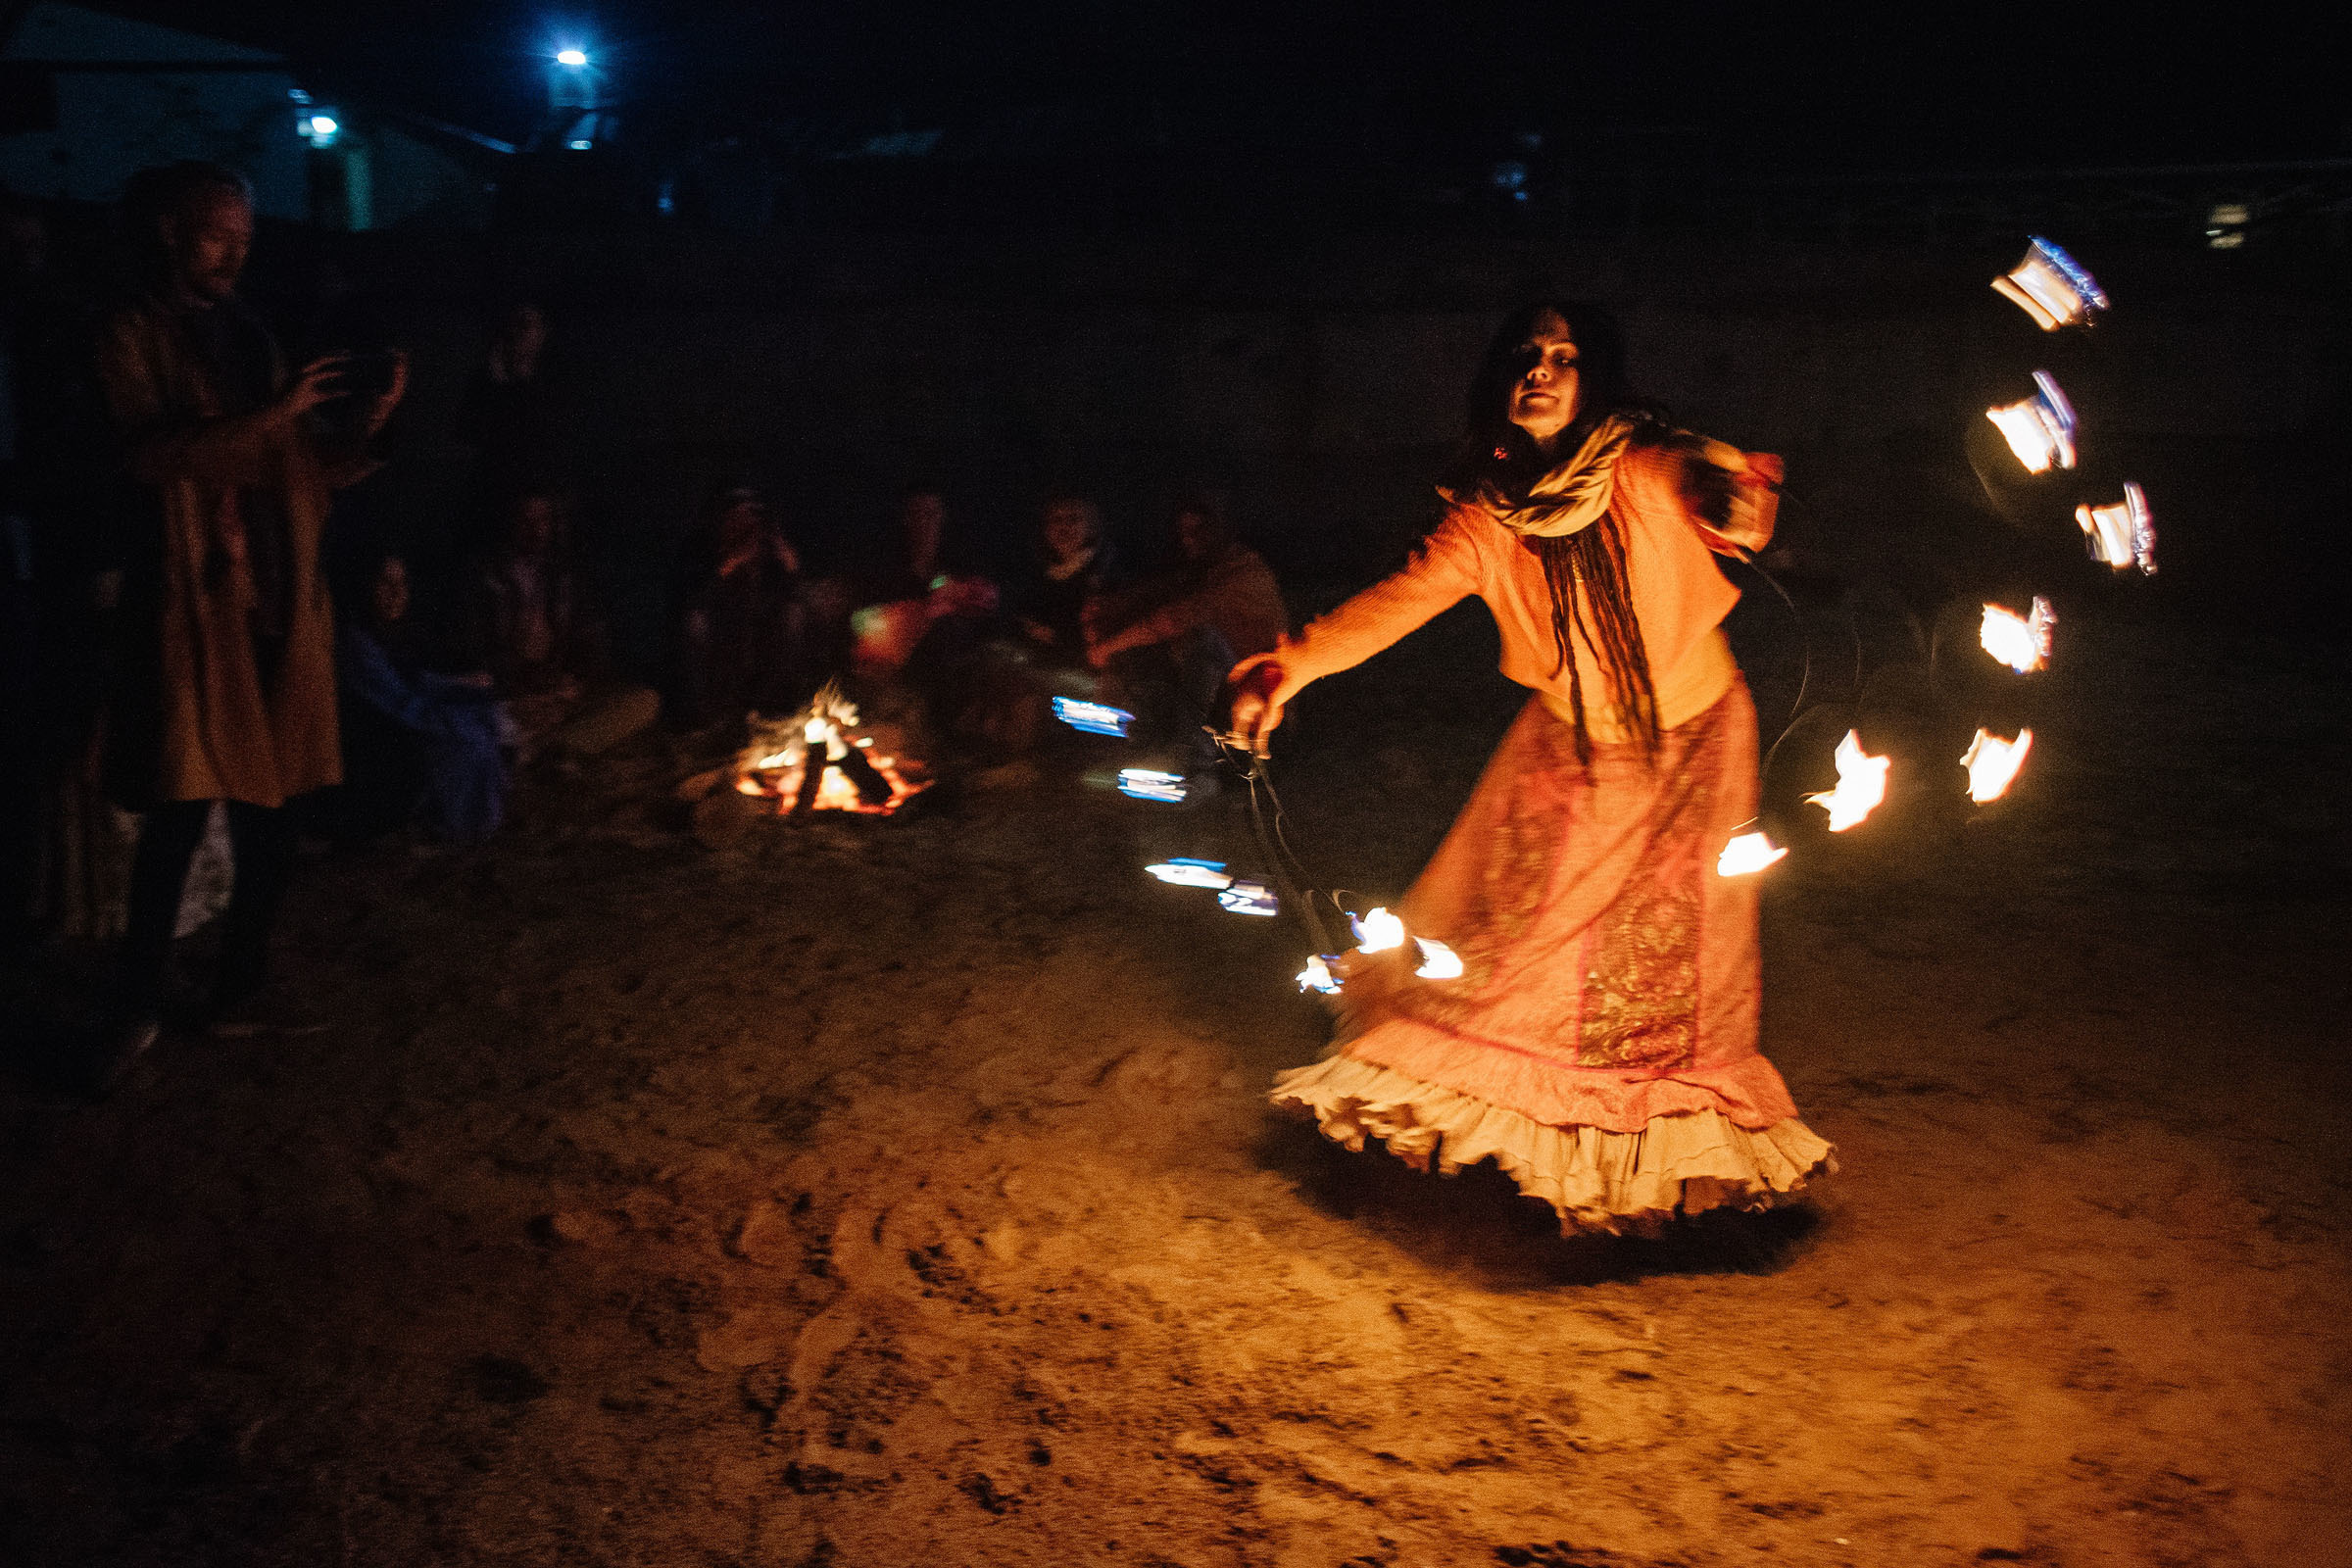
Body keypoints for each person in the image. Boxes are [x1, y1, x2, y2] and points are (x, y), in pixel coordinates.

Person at [1229, 301, 1833, 1234]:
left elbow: (1715, 482)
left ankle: (1653, 1177)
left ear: (1594, 379)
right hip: (1571, 749)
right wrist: (1290, 666)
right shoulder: (1487, 521)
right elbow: (1396, 603)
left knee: (1663, 975)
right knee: (1518, 944)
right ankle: (1502, 1142)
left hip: (1698, 747)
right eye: (1524, 357)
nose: (1541, 372)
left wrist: (1738, 496)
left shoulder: (1644, 465)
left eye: (1563, 357)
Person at [93, 161, 407, 1067]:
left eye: (244, 239)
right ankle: (133, 1006)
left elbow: (294, 468)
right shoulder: (129, 332)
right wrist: (273, 416)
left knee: (276, 810)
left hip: (273, 593)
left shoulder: (247, 333)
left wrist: (367, 428)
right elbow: (146, 458)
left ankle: (237, 986)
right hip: (196, 597)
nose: (234, 254)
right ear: (167, 231)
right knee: (182, 805)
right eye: (216, 236)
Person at [1089, 497, 1286, 772]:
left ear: (1222, 529)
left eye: (1200, 530)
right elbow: (1161, 590)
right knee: (1145, 649)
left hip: (1257, 698)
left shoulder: (1245, 572)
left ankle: (1193, 761)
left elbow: (1172, 619)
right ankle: (1138, 743)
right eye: (1184, 532)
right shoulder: (1206, 569)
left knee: (1202, 643)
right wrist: (1110, 606)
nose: (1190, 540)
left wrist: (1108, 647)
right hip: (1220, 691)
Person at [334, 553, 511, 844]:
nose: (396, 594)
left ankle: (480, 819)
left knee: (481, 710)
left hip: (405, 720)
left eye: (402, 584)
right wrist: (451, 713)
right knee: (468, 737)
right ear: (366, 587)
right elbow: (398, 702)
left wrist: (459, 686)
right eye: (385, 583)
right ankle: (452, 823)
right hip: (385, 742)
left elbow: (414, 678)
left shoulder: (394, 634)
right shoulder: (357, 645)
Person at [467, 488, 657, 757]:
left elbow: (591, 636)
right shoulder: (487, 578)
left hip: (557, 695)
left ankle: (555, 749)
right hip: (513, 698)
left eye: (542, 520)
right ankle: (542, 751)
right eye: (526, 521)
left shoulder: (563, 576)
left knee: (643, 701)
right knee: (489, 724)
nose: (536, 530)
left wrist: (574, 680)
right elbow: (474, 656)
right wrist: (519, 679)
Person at [671, 482, 811, 726]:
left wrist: (788, 562)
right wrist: (731, 564)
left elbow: (795, 591)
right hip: (720, 624)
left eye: (751, 516)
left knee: (793, 615)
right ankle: (707, 715)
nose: (745, 523)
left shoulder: (769, 553)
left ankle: (778, 706)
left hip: (761, 623)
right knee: (695, 624)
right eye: (737, 516)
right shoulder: (703, 552)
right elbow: (692, 598)